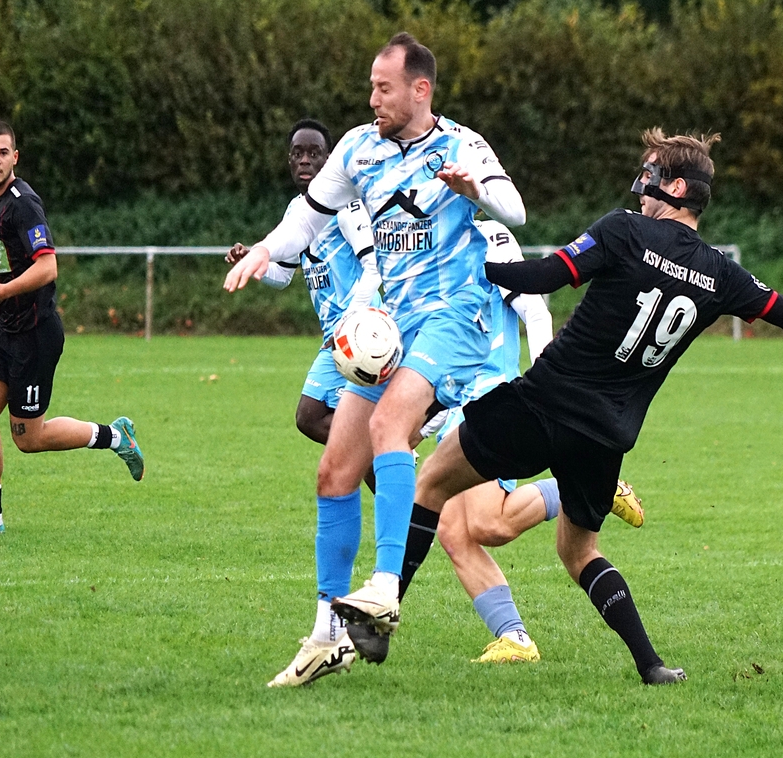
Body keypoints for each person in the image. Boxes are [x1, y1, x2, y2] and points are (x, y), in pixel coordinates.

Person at [408, 127, 783, 685]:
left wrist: (468, 269)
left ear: (675, 187)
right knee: (580, 553)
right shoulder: (720, 273)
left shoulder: (624, 230)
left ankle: (380, 612)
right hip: (607, 433)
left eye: (649, 174)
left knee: (430, 484)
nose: (640, 185)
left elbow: (547, 275)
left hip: (545, 402)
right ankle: (651, 666)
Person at [224, 33, 525, 685]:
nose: (372, 99)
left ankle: (385, 588)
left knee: (391, 424)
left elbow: (516, 210)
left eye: (383, 88)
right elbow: (307, 219)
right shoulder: (358, 148)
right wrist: (265, 251)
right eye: (371, 86)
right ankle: (326, 633)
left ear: (420, 89)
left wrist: (475, 189)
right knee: (334, 471)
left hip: (456, 316)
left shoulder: (462, 145)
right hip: (394, 322)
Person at [350, 219, 646, 666]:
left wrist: (549, 377)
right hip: (448, 396)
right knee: (453, 531)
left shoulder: (489, 236)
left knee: (492, 525)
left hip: (490, 394)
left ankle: (594, 487)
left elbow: (536, 311)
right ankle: (515, 638)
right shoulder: (421, 236)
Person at [0, 120, 144, 537]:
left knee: (29, 438)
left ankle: (115, 436)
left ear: (15, 157)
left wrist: (4, 290)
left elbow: (47, 266)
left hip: (35, 332)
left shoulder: (23, 204)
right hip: (5, 328)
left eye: (3, 153)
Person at [226, 119, 380, 688]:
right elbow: (286, 276)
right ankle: (384, 463)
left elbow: (375, 264)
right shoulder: (301, 212)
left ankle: (387, 466)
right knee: (310, 418)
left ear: (330, 156)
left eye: (315, 152)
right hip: (330, 342)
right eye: (297, 153)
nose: (305, 160)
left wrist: (357, 318)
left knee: (319, 426)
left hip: (359, 336)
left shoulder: (348, 205)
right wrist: (256, 259)